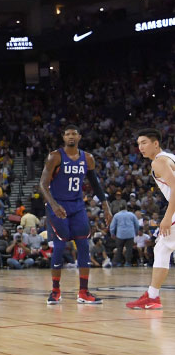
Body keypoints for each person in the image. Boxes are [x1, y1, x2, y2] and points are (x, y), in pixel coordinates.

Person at [38, 125, 112, 305]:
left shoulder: (88, 158)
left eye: (74, 134)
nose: (71, 136)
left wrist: (106, 206)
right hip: (58, 207)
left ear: (79, 136)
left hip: (78, 206)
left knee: (83, 245)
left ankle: (84, 292)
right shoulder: (55, 156)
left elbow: (95, 184)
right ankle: (55, 290)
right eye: (67, 134)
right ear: (63, 137)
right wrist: (53, 205)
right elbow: (42, 185)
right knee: (60, 245)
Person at [127, 129, 175, 309]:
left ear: (156, 143)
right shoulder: (169, 157)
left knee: (162, 248)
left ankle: (153, 297)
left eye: (144, 142)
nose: (140, 147)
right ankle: (152, 296)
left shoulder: (159, 162)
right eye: (139, 143)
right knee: (161, 249)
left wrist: (167, 217)